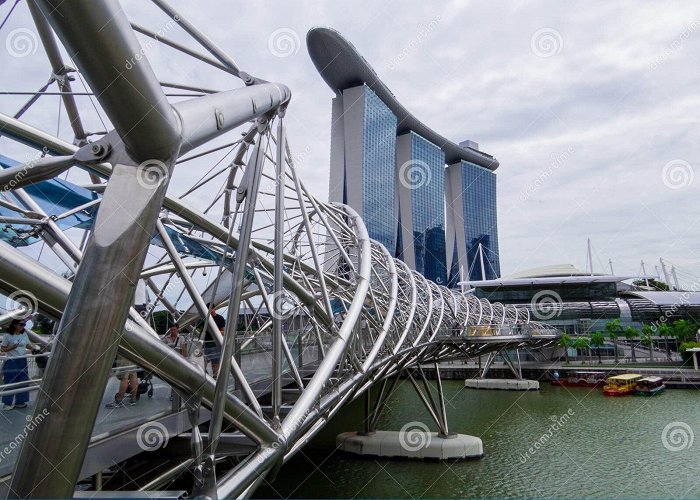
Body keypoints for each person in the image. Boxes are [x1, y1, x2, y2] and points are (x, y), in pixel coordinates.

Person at [1, 319, 37, 410]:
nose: (23, 326)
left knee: (23, 380)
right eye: (21, 324)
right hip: (11, 360)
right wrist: (12, 347)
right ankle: (7, 403)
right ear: (14, 325)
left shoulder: (24, 334)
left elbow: (27, 345)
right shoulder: (7, 336)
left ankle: (20, 401)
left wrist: (32, 348)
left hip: (22, 360)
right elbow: (2, 349)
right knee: (10, 382)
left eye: (24, 325)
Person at [202, 304, 225, 378]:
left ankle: (215, 381)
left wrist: (214, 330)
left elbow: (223, 332)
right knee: (202, 364)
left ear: (214, 309)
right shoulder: (205, 319)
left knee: (215, 365)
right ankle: (206, 378)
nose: (210, 311)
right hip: (206, 345)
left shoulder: (220, 318)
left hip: (216, 345)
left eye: (211, 309)